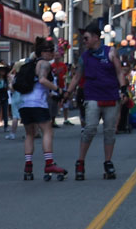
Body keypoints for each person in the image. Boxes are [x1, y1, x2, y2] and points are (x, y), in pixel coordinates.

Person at [64, 26, 127, 180]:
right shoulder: (84, 57)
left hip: (111, 96)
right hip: (92, 96)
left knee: (110, 131)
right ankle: (80, 161)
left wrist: (124, 90)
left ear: (96, 38)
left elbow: (119, 72)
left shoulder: (110, 52)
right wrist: (67, 93)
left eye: (86, 38)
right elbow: (77, 76)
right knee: (90, 128)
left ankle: (108, 162)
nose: (84, 41)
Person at [16, 40, 65, 181]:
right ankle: (49, 163)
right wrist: (58, 90)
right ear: (43, 52)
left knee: (30, 134)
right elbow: (43, 80)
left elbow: (37, 85)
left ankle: (28, 166)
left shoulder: (29, 65)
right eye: (50, 50)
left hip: (24, 104)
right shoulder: (44, 64)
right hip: (37, 104)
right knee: (47, 131)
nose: (52, 53)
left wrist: (51, 94)